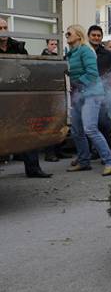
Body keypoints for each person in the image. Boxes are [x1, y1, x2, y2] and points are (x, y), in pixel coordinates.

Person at [0, 18, 52, 177]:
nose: (3, 30)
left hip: (17, 95)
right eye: (0, 28)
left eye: (5, 27)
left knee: (28, 131)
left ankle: (33, 168)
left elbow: (28, 68)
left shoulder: (18, 46)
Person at [65, 24, 111, 176]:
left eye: (69, 32)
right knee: (76, 130)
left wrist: (76, 82)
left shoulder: (85, 50)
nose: (67, 34)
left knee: (90, 128)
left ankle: (110, 161)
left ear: (78, 36)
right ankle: (83, 161)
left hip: (92, 94)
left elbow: (92, 74)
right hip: (78, 94)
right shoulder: (72, 52)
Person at [88, 25, 111, 158]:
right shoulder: (84, 51)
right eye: (93, 35)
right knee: (90, 126)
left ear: (101, 37)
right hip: (86, 94)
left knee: (104, 125)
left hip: (103, 94)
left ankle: (106, 155)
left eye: (98, 35)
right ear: (89, 36)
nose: (96, 38)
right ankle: (92, 153)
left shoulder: (108, 55)